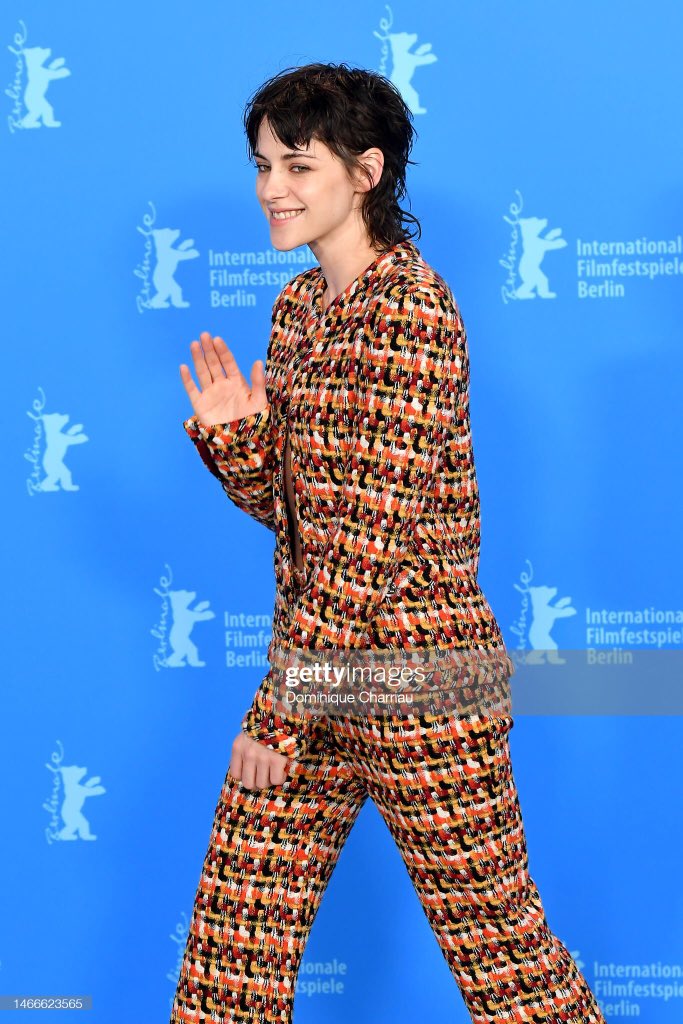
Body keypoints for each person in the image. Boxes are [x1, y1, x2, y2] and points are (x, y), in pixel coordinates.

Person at [171, 63, 605, 1024]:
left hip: (419, 681)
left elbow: (363, 544)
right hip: (321, 670)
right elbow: (301, 517)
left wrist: (278, 714)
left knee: (504, 962)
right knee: (230, 951)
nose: (272, 188)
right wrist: (235, 438)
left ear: (365, 173)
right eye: (262, 166)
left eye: (298, 165)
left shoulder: (411, 310)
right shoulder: (298, 308)